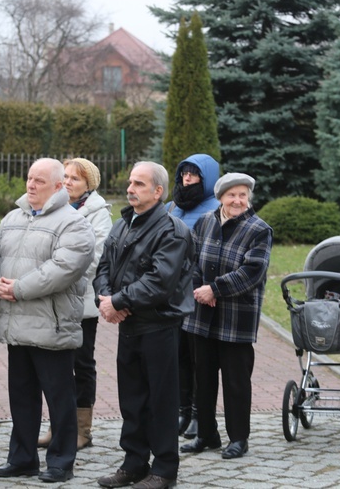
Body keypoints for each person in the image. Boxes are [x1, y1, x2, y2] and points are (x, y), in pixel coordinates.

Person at [0, 158, 94, 483]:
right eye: (29, 178)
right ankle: (22, 458)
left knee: (60, 399)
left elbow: (62, 269)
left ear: (59, 186)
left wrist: (18, 289)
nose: (31, 185)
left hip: (52, 327)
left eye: (39, 181)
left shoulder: (74, 223)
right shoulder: (13, 217)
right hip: (16, 324)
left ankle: (61, 462)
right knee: (21, 397)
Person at [94, 161, 194, 489]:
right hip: (129, 325)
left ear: (158, 191)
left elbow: (160, 282)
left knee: (161, 401)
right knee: (132, 399)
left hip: (159, 326)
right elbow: (104, 266)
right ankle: (134, 462)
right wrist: (106, 299)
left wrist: (117, 302)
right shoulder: (122, 224)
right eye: (130, 182)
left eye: (139, 184)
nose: (130, 188)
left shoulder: (172, 230)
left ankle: (165, 470)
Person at [180, 173, 272, 461]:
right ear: (220, 197)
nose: (237, 200)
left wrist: (215, 289)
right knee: (202, 379)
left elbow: (251, 272)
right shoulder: (206, 222)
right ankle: (207, 434)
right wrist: (198, 290)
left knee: (236, 381)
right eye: (232, 195)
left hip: (236, 318)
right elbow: (191, 261)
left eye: (243, 195)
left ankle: (238, 438)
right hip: (201, 315)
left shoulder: (259, 229)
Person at [37, 158, 112, 451]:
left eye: (75, 179)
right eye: (65, 176)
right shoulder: (53, 206)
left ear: (88, 185)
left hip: (82, 303)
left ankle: (82, 430)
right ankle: (58, 425)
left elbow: (94, 258)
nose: (68, 182)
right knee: (56, 366)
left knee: (81, 365)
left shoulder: (98, 214)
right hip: (53, 300)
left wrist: (58, 269)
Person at [167, 153, 220, 439]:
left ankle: (201, 414)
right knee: (179, 356)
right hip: (171, 292)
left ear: (207, 177)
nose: (188, 178)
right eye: (184, 173)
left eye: (194, 174)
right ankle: (182, 410)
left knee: (201, 358)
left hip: (199, 293)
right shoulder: (172, 206)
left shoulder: (215, 208)